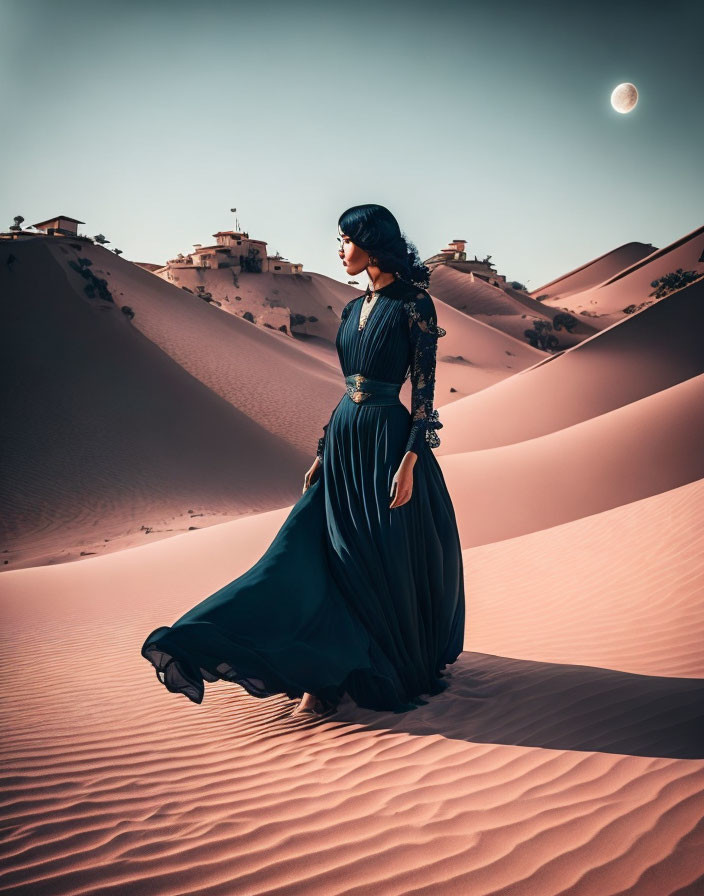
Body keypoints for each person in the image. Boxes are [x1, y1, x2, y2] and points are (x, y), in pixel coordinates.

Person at [141, 203, 465, 717]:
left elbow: (423, 391)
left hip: (386, 441)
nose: (340, 250)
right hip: (344, 438)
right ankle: (302, 664)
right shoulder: (353, 307)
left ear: (371, 241)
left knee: (375, 558)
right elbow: (347, 387)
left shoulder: (414, 304)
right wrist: (322, 450)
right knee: (309, 552)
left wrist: (412, 459)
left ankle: (360, 669)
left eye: (345, 240)